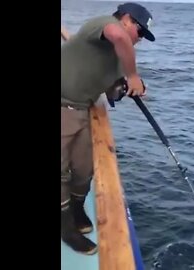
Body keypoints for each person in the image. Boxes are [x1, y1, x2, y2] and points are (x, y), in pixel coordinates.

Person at [61, 2, 155, 255]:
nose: (139, 39)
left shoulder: (115, 58)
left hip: (81, 109)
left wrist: (130, 87)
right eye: (140, 32)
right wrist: (133, 74)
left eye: (144, 37)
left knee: (84, 169)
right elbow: (118, 36)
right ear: (125, 19)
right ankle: (65, 226)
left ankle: (77, 209)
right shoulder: (104, 25)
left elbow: (112, 91)